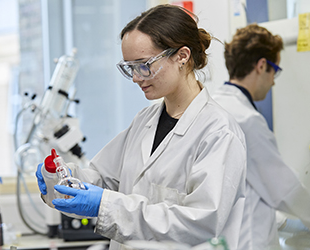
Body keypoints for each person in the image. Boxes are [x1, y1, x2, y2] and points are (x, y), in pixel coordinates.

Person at [36, 4, 247, 250]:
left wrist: (103, 205)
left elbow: (200, 224)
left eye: (144, 64)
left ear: (182, 56)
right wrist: (62, 178)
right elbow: (101, 180)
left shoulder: (219, 132)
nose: (136, 77)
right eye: (130, 67)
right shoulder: (144, 122)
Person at [211, 24, 310, 250]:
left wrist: (284, 222)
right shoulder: (246, 120)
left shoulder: (212, 107)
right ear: (262, 66)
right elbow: (284, 189)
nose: (274, 81)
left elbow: (241, 191)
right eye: (275, 70)